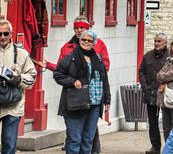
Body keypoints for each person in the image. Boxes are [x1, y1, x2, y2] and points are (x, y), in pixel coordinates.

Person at [39, 16, 109, 154]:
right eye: (76, 28)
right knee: (75, 138)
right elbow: (61, 69)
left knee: (88, 138)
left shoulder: (98, 50)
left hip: (94, 100)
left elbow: (103, 74)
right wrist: (49, 66)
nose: (79, 30)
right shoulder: (68, 49)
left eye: (82, 28)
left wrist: (106, 99)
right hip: (76, 99)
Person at [0, 19, 36, 154]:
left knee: (9, 145)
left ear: (11, 34)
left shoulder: (21, 53)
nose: (2, 37)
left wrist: (18, 78)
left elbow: (32, 77)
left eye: (5, 33)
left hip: (13, 105)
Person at [138, 34, 169, 154]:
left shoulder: (169, 57)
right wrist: (145, 87)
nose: (156, 43)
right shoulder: (148, 56)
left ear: (165, 43)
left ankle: (169, 148)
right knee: (153, 122)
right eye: (155, 41)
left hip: (165, 94)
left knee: (167, 123)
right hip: (150, 93)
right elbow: (141, 71)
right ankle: (155, 147)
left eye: (159, 41)